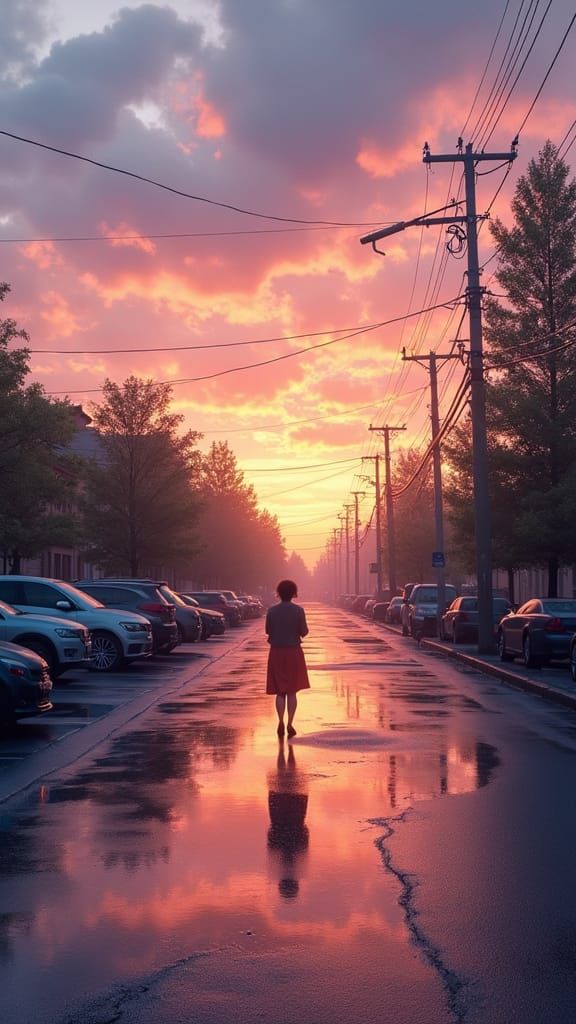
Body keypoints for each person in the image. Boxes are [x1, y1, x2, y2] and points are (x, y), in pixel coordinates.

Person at [265, 579, 309, 737]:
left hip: (276, 652)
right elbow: (304, 632)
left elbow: (268, 631)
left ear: (279, 593)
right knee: (292, 691)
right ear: (293, 593)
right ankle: (290, 722)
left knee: (279, 691)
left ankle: (280, 721)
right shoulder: (298, 610)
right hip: (293, 652)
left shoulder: (271, 611)